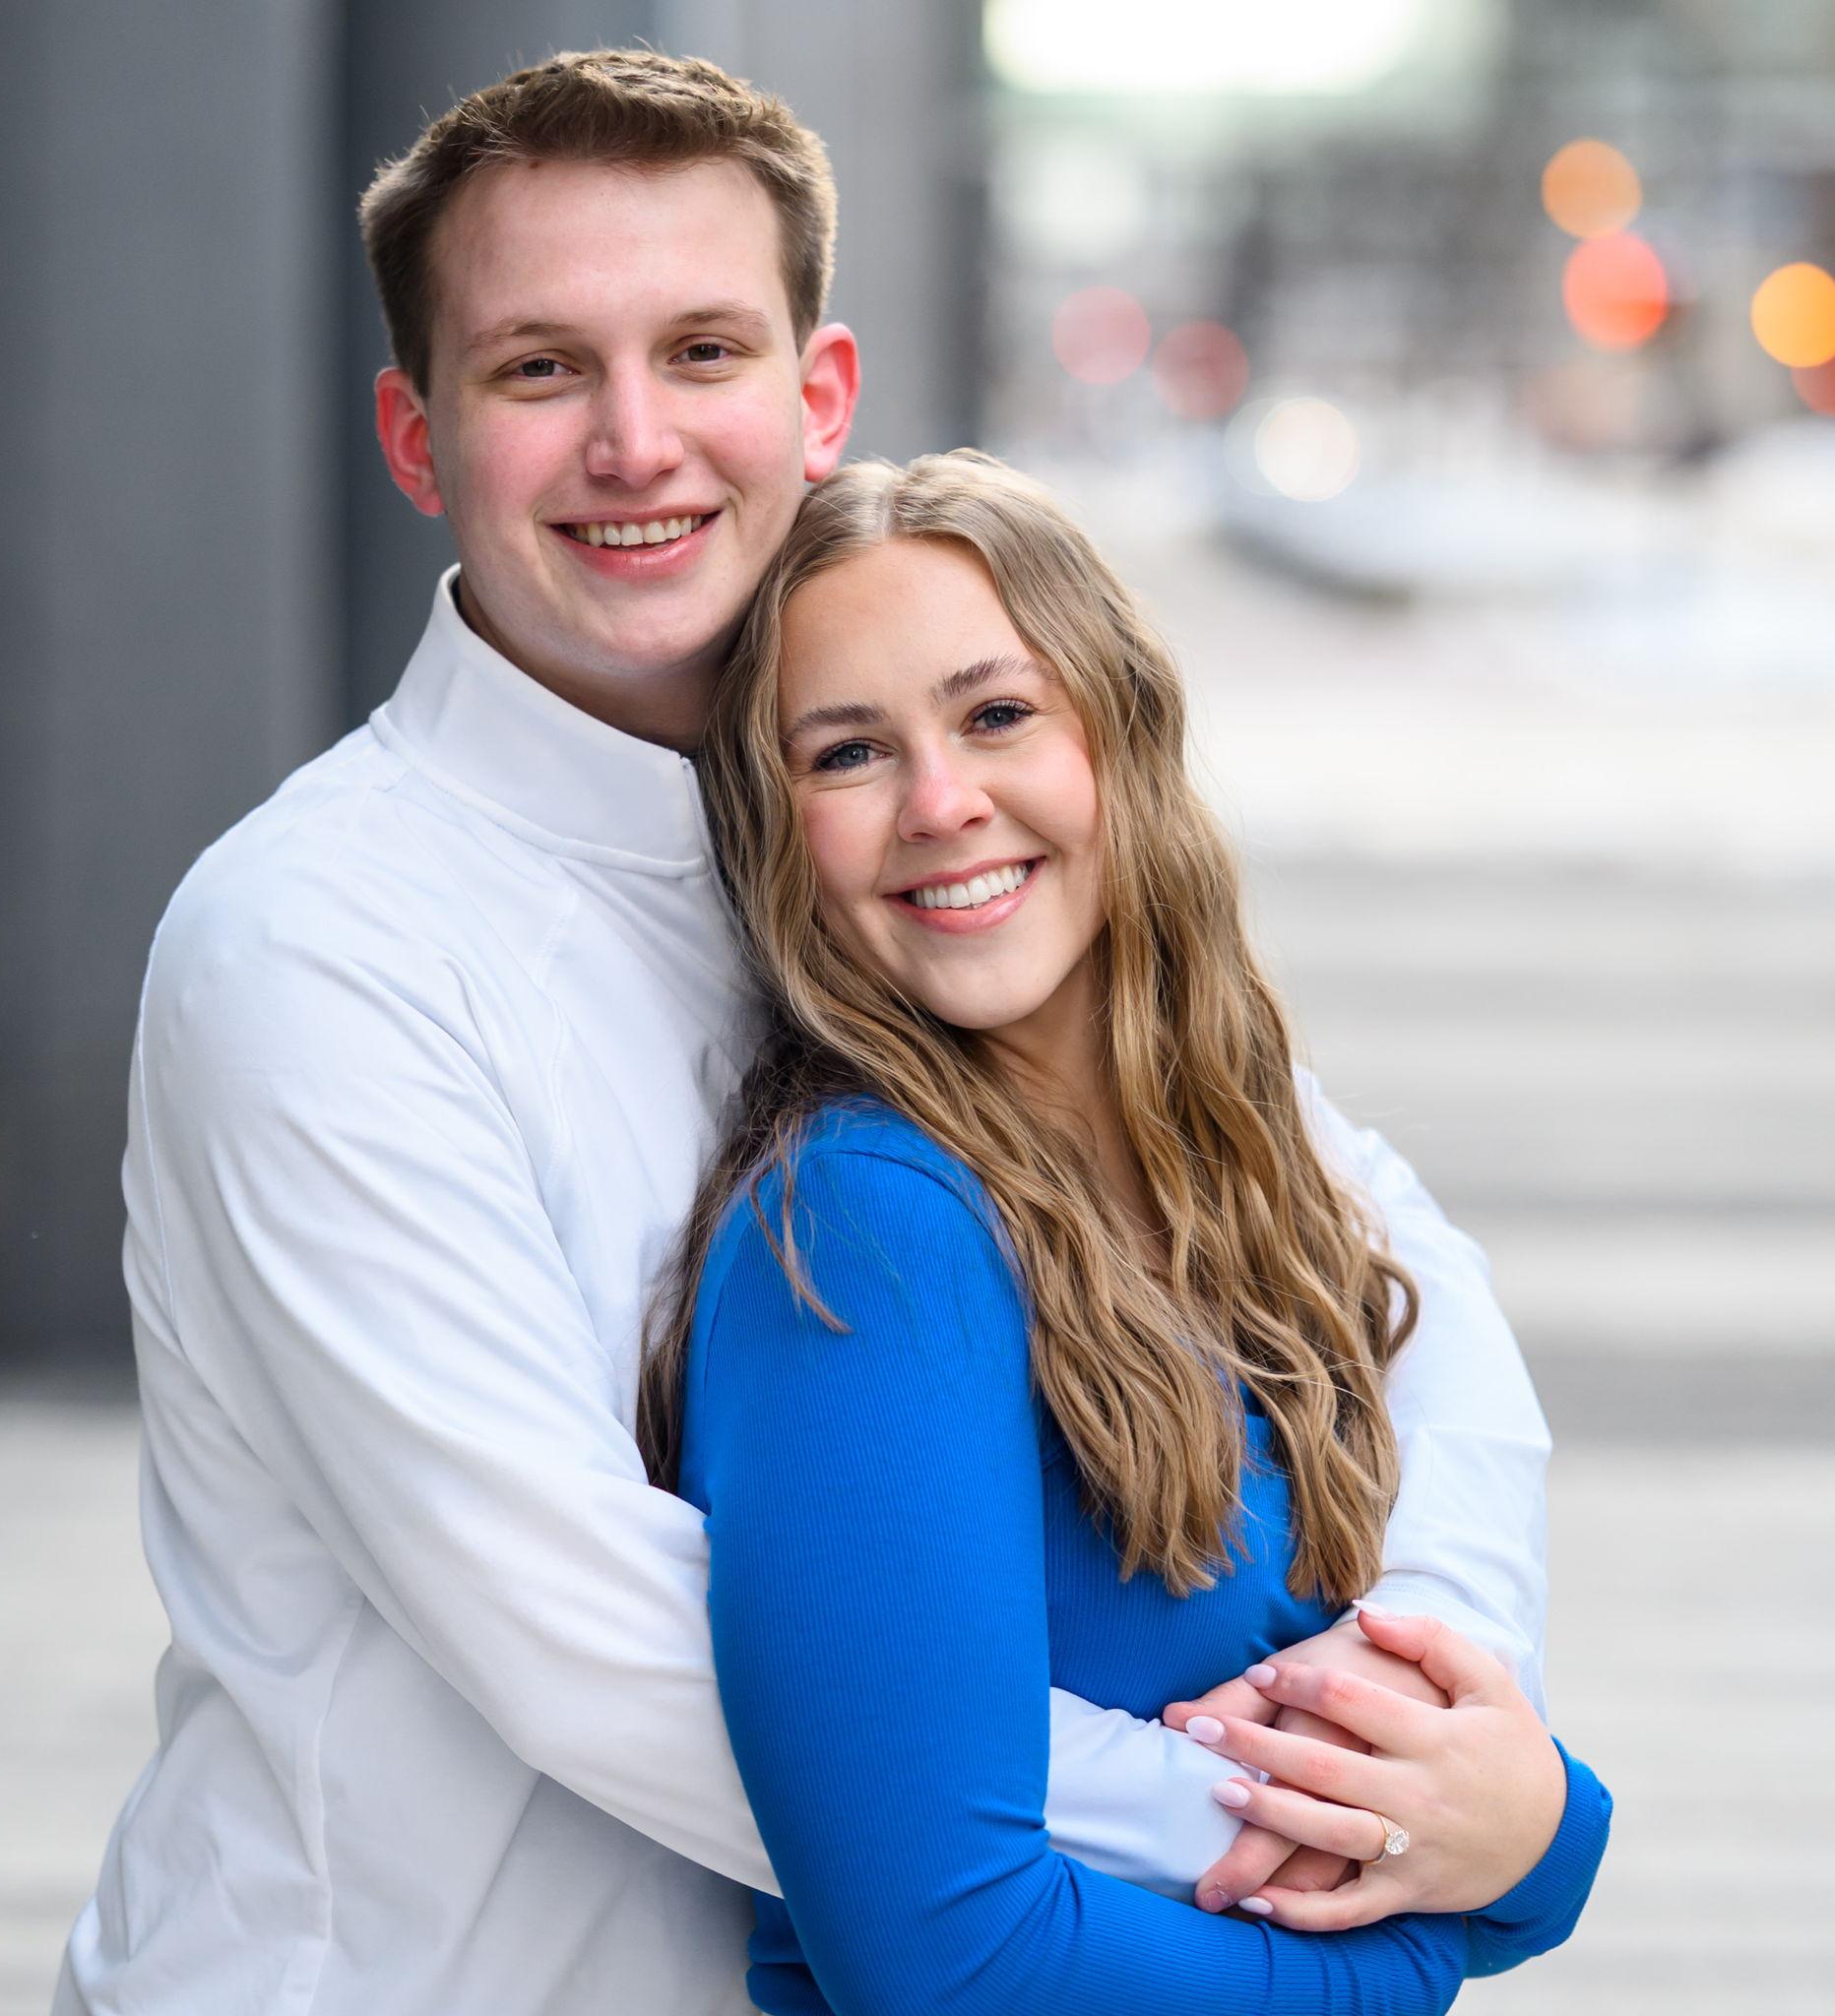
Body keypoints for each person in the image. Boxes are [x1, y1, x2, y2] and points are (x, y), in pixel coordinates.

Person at [55, 49, 1561, 2016]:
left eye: (701, 351)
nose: (635, 442)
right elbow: (590, 1639)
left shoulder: (886, 847)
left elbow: (1382, 1257)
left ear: (817, 395)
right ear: (416, 440)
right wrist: (1327, 1825)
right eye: (538, 370)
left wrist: (1445, 1694)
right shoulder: (317, 944)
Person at [642, 449, 1612, 2015]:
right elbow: (943, 1956)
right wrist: (1422, 1950)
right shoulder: (867, 1231)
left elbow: (1474, 1809)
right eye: (848, 753)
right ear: (775, 828)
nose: (941, 802)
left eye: (996, 715)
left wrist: (1544, 1833)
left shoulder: (1242, 1169)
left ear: (1121, 730)